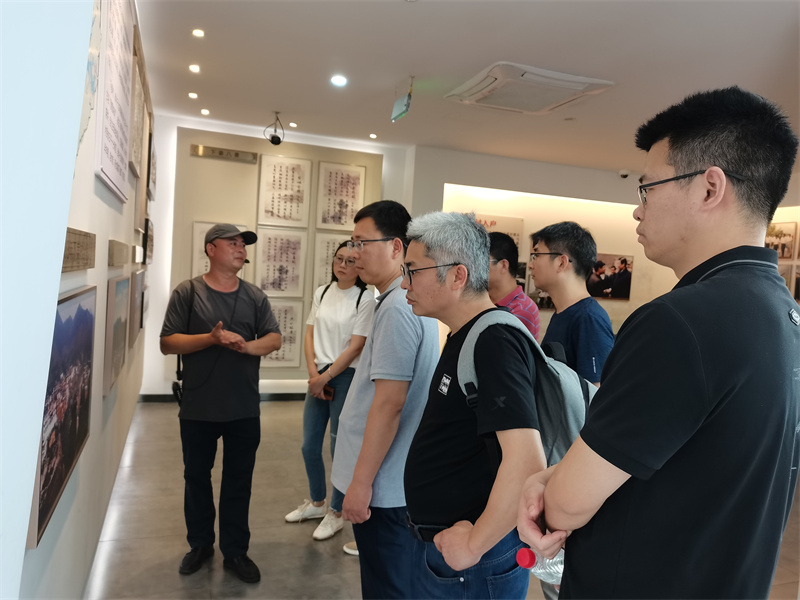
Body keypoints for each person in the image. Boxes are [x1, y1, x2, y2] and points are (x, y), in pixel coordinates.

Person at [518, 87, 800, 599]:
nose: (637, 212)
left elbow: (567, 505)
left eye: (647, 189)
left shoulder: (681, 321)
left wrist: (546, 486)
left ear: (710, 188)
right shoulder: (784, 313)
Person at [403, 212, 545, 599]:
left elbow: (527, 461)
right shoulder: (466, 335)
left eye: (413, 271)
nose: (404, 283)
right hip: (453, 551)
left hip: (475, 561)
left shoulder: (494, 340)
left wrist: (473, 545)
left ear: (457, 275)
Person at [160, 223, 282, 584]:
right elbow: (168, 343)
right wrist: (211, 339)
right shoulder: (188, 292)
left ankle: (235, 551)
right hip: (198, 406)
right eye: (233, 243)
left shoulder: (255, 296)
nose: (241, 248)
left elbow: (274, 338)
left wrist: (245, 346)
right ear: (211, 249)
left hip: (243, 406)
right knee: (196, 477)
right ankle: (200, 545)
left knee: (238, 481)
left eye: (243, 244)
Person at [331, 200, 440, 599]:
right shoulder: (398, 300)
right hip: (391, 481)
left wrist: (360, 485)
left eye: (362, 243)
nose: (353, 253)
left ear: (396, 247)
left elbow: (390, 404)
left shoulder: (397, 307)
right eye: (352, 243)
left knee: (389, 587)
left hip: (384, 488)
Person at [284, 242, 376, 541]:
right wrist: (314, 374)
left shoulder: (365, 298)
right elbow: (309, 333)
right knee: (309, 446)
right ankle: (317, 502)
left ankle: (335, 512)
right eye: (339, 259)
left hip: (344, 377)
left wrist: (325, 376)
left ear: (359, 266)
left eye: (350, 261)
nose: (343, 265)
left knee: (340, 448)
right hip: (318, 375)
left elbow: (357, 345)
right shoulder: (322, 292)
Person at [529, 222, 614, 385]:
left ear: (561, 262)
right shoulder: (563, 312)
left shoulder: (588, 319)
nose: (531, 264)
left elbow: (596, 391)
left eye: (537, 255)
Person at [488, 231, 541, 339]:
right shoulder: (483, 299)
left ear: (503, 265)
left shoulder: (523, 311)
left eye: (481, 262)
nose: (475, 268)